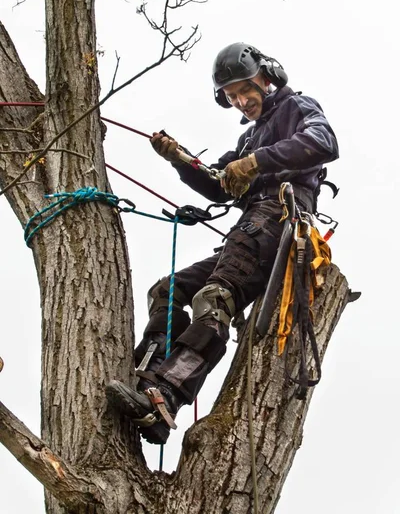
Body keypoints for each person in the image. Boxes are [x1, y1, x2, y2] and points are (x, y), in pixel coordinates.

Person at [106, 42, 339, 444]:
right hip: (249, 227)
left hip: (277, 221)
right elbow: (219, 186)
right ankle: (150, 373)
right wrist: (180, 159)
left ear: (266, 79)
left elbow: (324, 143)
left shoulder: (296, 109)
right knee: (168, 288)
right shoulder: (249, 139)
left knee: (215, 298)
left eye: (245, 90)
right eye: (231, 96)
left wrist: (257, 163)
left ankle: (168, 394)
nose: (240, 101)